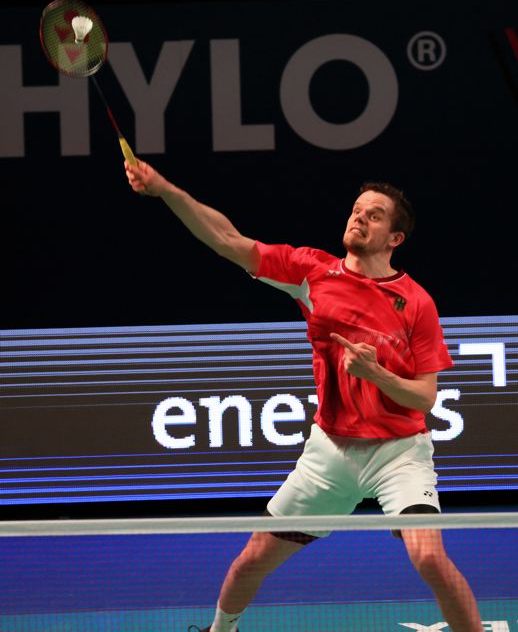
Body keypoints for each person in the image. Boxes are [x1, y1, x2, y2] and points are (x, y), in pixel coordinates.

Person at [125, 159, 483, 632]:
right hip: (329, 453)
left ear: (396, 237)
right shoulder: (311, 273)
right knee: (250, 561)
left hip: (398, 453)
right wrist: (166, 188)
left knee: (430, 560)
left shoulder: (416, 302)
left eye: (374, 215)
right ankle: (219, 631)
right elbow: (228, 240)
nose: (359, 218)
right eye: (357, 210)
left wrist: (376, 376)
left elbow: (425, 400)